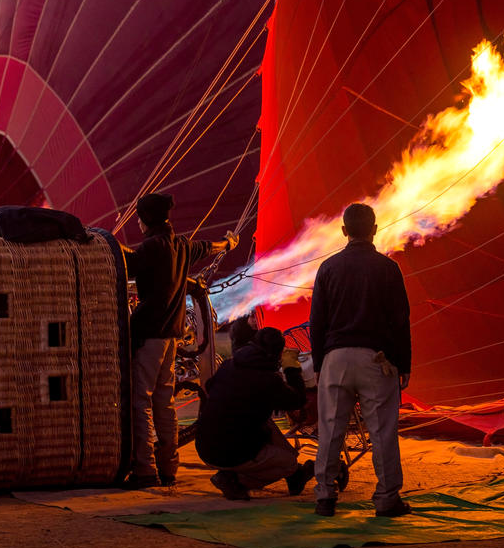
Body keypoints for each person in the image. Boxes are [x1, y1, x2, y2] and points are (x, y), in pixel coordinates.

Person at [121, 192, 238, 489]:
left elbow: (125, 262)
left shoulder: (151, 248)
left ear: (145, 219)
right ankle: (168, 467)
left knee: (140, 401)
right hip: (171, 336)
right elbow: (210, 247)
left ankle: (145, 468)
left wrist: (104, 243)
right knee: (165, 401)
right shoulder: (182, 245)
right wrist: (229, 243)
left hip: (149, 335)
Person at [308, 203, 412, 518]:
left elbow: (317, 322)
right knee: (382, 432)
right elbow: (400, 320)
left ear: (344, 231)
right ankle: (386, 498)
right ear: (375, 229)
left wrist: (319, 363)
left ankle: (325, 497)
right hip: (376, 359)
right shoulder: (388, 268)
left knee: (330, 429)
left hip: (335, 357)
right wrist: (403, 363)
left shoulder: (327, 268)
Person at [195, 327, 315, 500]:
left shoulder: (229, 365)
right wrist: (292, 369)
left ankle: (295, 475)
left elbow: (210, 387)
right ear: (277, 354)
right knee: (288, 463)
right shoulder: (268, 380)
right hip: (230, 452)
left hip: (205, 445)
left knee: (266, 423)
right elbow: (297, 400)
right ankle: (235, 480)